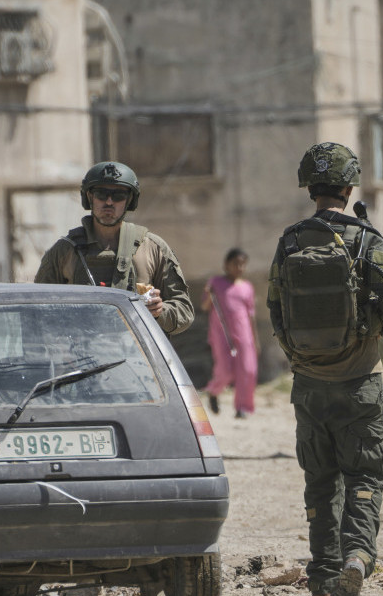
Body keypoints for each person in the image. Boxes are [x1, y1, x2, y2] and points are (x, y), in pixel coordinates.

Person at [267, 142, 383, 596]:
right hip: (360, 381)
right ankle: (358, 558)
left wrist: (300, 356)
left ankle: (323, 585)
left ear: (310, 188)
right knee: (364, 476)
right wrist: (370, 336)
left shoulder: (289, 242)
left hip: (308, 386)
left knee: (320, 484)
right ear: (349, 187)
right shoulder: (368, 239)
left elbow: (275, 311)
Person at [34, 161, 193, 336]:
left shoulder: (152, 248)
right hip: (78, 357)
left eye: (118, 196)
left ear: (129, 200)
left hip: (137, 357)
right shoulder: (64, 251)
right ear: (89, 197)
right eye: (101, 194)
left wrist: (160, 311)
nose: (109, 202)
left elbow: (184, 311)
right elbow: (36, 311)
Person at [202, 248, 259, 419]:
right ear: (226, 265)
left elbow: (251, 315)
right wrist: (208, 294)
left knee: (247, 370)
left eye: (242, 264)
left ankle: (243, 408)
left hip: (244, 335)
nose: (239, 267)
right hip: (222, 335)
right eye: (235, 263)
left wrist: (256, 341)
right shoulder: (216, 283)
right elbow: (205, 307)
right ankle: (213, 392)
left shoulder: (247, 287)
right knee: (225, 371)